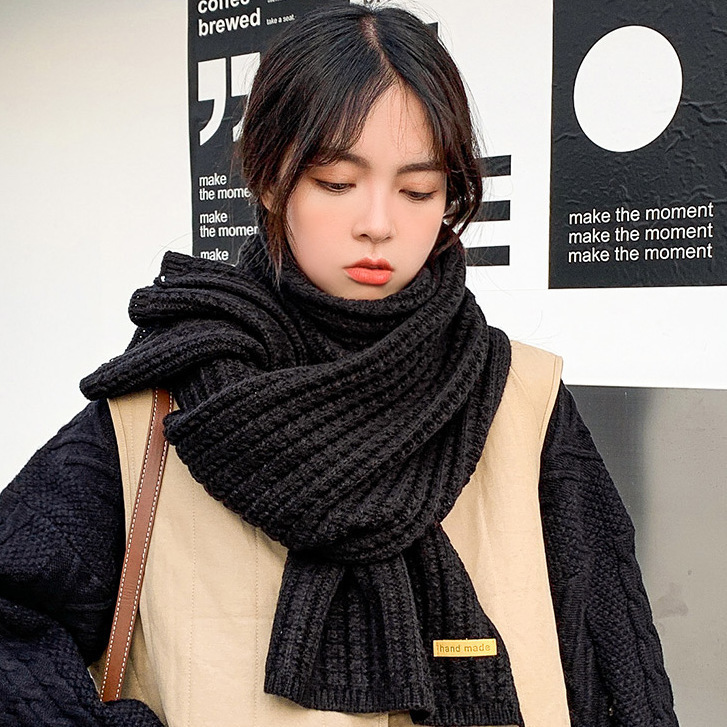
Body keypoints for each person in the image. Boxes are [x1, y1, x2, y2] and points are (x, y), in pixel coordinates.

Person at [0, 4, 678, 727]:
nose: (378, 223)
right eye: (336, 182)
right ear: (270, 179)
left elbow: (614, 666)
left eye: (417, 191)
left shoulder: (520, 400)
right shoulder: (167, 402)